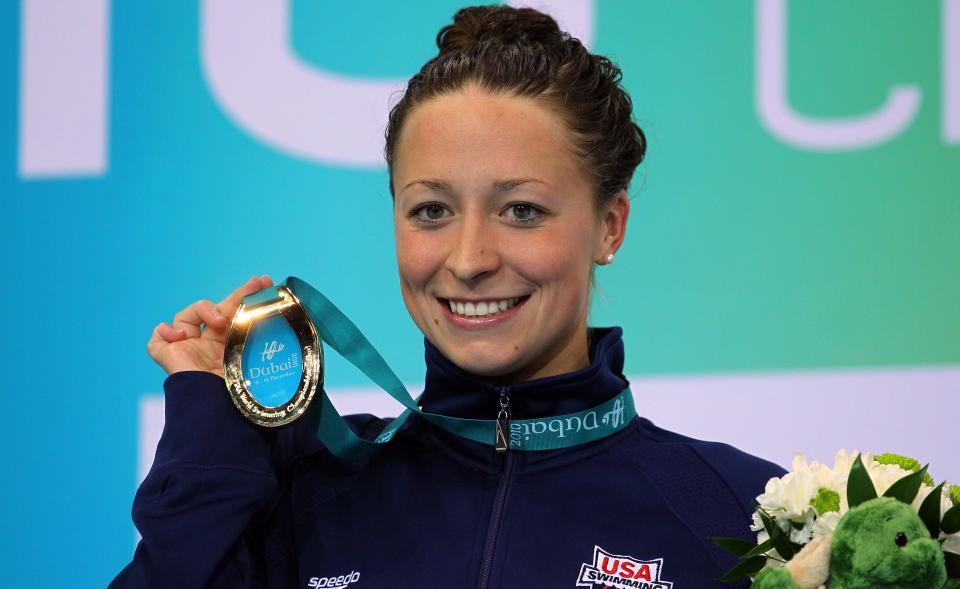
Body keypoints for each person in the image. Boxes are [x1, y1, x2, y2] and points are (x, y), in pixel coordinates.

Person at [112, 6, 784, 588]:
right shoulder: (305, 494)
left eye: (521, 210)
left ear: (609, 224)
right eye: (431, 210)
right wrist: (210, 427)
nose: (469, 260)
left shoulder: (744, 516)